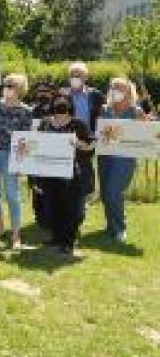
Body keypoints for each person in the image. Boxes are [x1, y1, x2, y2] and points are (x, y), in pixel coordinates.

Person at [38, 94, 94, 256]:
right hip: (49, 174)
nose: (61, 111)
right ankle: (57, 237)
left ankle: (68, 241)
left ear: (70, 108)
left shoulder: (79, 124)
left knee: (72, 210)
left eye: (64, 108)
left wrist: (79, 144)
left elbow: (90, 147)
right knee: (52, 208)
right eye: (57, 107)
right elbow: (36, 146)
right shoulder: (45, 123)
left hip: (73, 175)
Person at [0, 73, 32, 249]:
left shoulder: (26, 111)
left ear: (19, 89)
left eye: (10, 85)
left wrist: (21, 164)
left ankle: (16, 234)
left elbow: (25, 140)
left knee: (12, 195)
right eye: (5, 84)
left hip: (12, 157)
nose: (6, 88)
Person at [98, 78, 147, 243]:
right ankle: (110, 227)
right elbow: (100, 132)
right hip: (105, 157)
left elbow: (147, 134)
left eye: (120, 88)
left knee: (113, 191)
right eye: (113, 88)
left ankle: (120, 229)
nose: (116, 91)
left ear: (129, 92)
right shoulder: (105, 109)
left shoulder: (136, 111)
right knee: (106, 193)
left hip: (125, 159)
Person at [63, 62, 104, 207]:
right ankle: (71, 199)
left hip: (88, 138)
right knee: (68, 169)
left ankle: (84, 198)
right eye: (72, 75)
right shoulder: (62, 94)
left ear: (85, 77)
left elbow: (102, 114)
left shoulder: (95, 95)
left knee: (85, 167)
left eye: (78, 75)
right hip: (67, 138)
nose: (75, 78)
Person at [29, 82, 55, 229]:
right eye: (40, 92)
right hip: (34, 154)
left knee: (51, 186)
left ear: (52, 93)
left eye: (46, 91)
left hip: (51, 156)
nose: (43, 94)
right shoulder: (31, 111)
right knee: (36, 186)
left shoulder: (57, 109)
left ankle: (51, 216)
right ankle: (39, 217)